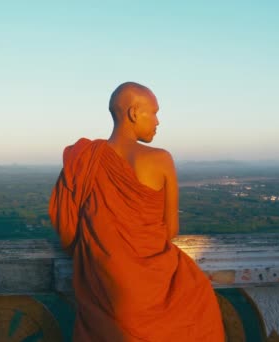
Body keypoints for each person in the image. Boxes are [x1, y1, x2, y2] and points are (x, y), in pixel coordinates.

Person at [49, 82, 224, 341]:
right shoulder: (161, 159)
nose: (158, 121)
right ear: (133, 113)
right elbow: (171, 230)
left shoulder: (84, 159)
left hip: (104, 287)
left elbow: (67, 230)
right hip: (155, 284)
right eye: (153, 112)